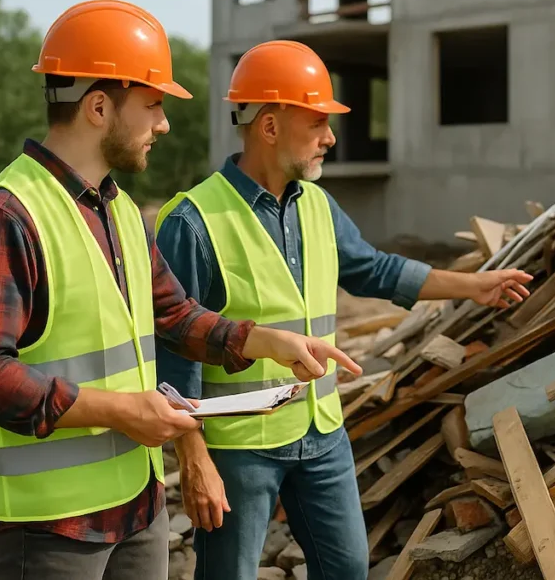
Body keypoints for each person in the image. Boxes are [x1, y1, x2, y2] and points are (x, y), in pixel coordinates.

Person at [0, 2, 361, 580]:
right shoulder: (7, 216)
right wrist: (120, 412)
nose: (163, 124)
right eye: (154, 105)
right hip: (50, 530)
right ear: (98, 106)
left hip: (136, 509)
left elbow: (177, 316)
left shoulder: (119, 212)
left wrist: (267, 341)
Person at [154, 39, 533, 580]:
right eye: (317, 122)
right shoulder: (194, 221)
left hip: (320, 432)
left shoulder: (318, 206)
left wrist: (470, 285)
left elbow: (372, 269)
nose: (330, 137)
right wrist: (194, 460)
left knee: (348, 569)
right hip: (241, 449)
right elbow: (175, 353)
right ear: (269, 125)